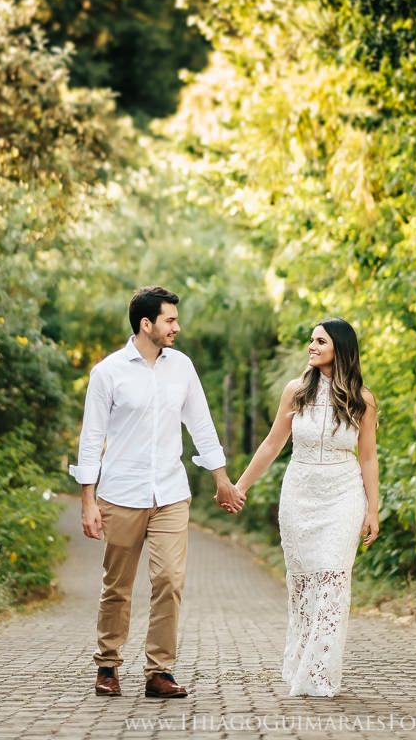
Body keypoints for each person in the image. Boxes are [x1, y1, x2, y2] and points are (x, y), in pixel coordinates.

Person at [70, 285, 244, 700]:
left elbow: (201, 425)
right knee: (117, 585)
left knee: (169, 579)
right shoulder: (108, 373)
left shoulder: (182, 367)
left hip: (169, 493)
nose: (176, 327)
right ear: (146, 324)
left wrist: (222, 478)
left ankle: (159, 671)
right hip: (121, 494)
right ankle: (108, 664)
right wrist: (88, 500)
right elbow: (91, 439)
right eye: (170, 320)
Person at [232, 317, 379, 697]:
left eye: (320, 341)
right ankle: (302, 661)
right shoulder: (295, 391)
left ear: (340, 348)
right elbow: (272, 444)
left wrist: (373, 509)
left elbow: (367, 457)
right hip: (299, 494)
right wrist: (239, 487)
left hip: (344, 495)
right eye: (311, 341)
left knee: (332, 579)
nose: (311, 347)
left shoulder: (362, 399)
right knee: (304, 585)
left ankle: (321, 672)